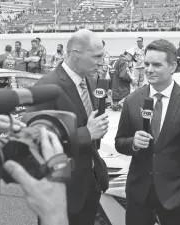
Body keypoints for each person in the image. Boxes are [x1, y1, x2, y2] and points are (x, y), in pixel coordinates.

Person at [27, 29, 109, 225]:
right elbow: (36, 139)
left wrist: (97, 130)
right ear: (75, 54)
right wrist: (86, 134)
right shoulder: (47, 86)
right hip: (61, 190)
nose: (102, 61)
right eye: (97, 56)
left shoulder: (90, 81)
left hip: (90, 185)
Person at [115, 39, 180, 225]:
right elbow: (120, 142)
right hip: (139, 193)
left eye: (156, 65)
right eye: (146, 64)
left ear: (173, 67)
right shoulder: (132, 100)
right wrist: (133, 143)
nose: (149, 70)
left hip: (176, 193)